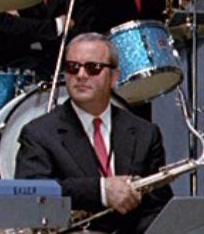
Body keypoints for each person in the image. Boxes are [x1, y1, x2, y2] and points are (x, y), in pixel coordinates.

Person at [15, 33, 172, 233]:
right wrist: (101, 191)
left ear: (114, 77)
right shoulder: (38, 133)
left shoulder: (146, 133)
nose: (81, 75)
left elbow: (157, 208)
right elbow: (31, 192)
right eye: (73, 67)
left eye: (93, 68)